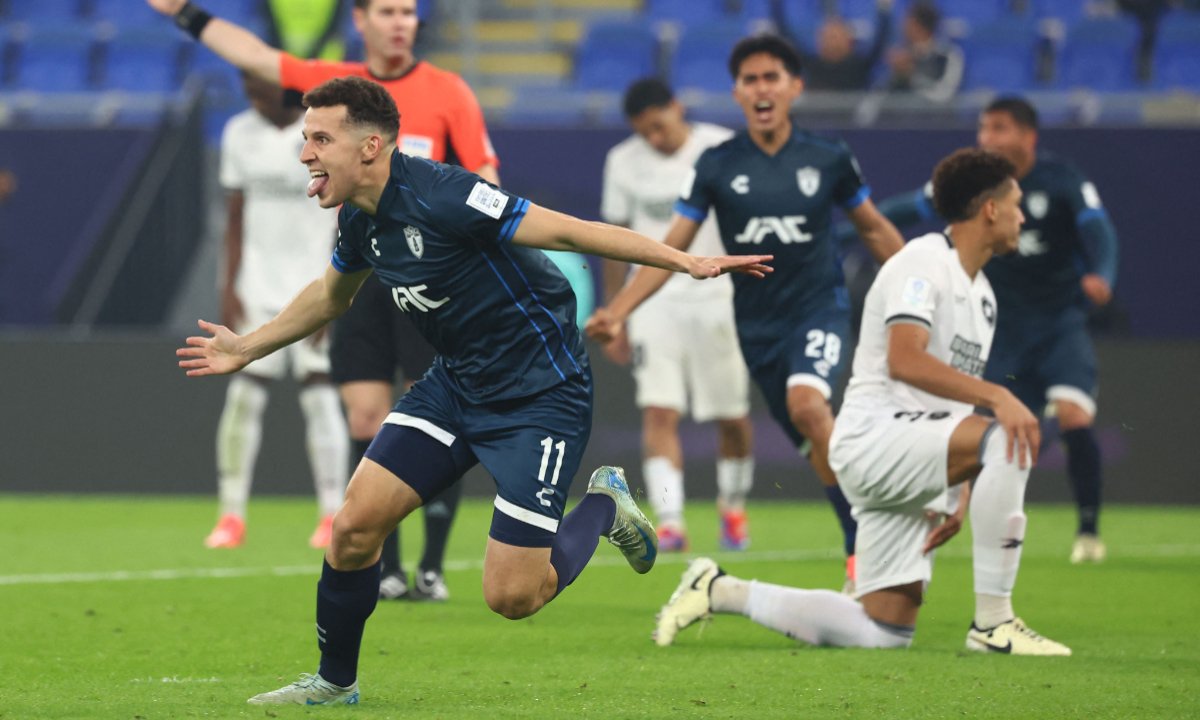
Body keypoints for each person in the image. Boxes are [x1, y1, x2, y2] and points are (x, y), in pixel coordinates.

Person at [176, 76, 773, 705]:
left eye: (321, 139)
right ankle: (334, 682)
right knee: (352, 529)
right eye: (306, 139)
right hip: (456, 384)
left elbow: (570, 232)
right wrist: (247, 347)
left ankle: (603, 507)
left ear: (371, 146)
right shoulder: (359, 220)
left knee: (513, 596)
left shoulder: (447, 194)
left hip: (541, 395)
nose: (305, 154)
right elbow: (330, 297)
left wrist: (685, 262)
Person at [654, 148, 1073, 656]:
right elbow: (905, 359)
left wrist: (960, 486)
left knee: (883, 631)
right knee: (1008, 436)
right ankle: (994, 622)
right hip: (875, 438)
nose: (1022, 217)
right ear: (990, 209)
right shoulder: (922, 261)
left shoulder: (983, 296)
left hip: (912, 455)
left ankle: (719, 589)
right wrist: (999, 396)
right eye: (1016, 204)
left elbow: (957, 403)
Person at [148, 0, 499, 599]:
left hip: (432, 283)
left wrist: (475, 246)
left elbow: (486, 179)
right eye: (387, 11)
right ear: (359, 21)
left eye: (408, 11)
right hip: (362, 276)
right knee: (365, 418)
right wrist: (188, 14)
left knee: (434, 419)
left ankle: (432, 567)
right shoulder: (338, 93)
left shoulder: (449, 92)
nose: (401, 22)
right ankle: (387, 566)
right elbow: (257, 57)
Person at [588, 34, 904, 589]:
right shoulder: (717, 165)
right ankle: (861, 528)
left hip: (817, 308)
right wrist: (618, 310)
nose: (762, 89)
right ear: (736, 92)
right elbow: (673, 251)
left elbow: (874, 229)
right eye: (750, 80)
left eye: (771, 77)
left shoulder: (828, 157)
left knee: (808, 407)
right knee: (811, 438)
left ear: (794, 87)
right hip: (755, 326)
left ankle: (863, 548)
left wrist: (920, 291)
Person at [869, 97, 1119, 563]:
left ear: (1028, 136)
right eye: (983, 128)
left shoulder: (1062, 179)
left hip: (1058, 323)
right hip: (1003, 328)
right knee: (992, 434)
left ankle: (1088, 529)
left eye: (999, 128)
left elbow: (1100, 230)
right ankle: (979, 537)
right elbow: (904, 208)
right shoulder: (962, 205)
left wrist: (1103, 274)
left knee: (1072, 415)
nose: (987, 137)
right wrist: (855, 223)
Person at [600, 78, 755, 552]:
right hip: (653, 300)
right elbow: (613, 241)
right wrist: (616, 312)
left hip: (717, 295)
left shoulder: (721, 148)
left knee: (732, 417)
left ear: (677, 107)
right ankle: (670, 521)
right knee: (659, 410)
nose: (654, 138)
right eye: (643, 131)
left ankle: (733, 507)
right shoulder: (622, 161)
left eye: (659, 126)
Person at [204, 71, 349, 550]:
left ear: (284, 87)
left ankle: (331, 514)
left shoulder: (320, 134)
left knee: (319, 393)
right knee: (245, 395)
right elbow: (234, 216)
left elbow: (344, 214)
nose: (252, 97)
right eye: (247, 90)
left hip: (313, 286)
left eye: (259, 89)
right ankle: (231, 515)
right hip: (257, 285)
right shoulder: (238, 133)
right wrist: (229, 285)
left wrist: (335, 293)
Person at [787, 1, 893, 92]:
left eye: (836, 37)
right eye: (828, 37)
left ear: (849, 42)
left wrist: (884, 9)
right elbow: (787, 35)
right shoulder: (810, 66)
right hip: (816, 110)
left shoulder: (859, 66)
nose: (832, 42)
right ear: (819, 42)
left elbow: (880, 43)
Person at [882, 0, 962, 103]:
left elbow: (944, 94)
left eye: (907, 22)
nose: (902, 26)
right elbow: (883, 96)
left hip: (933, 112)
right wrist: (896, 75)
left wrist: (910, 75)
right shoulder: (901, 56)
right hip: (898, 112)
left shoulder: (948, 55)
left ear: (918, 26)